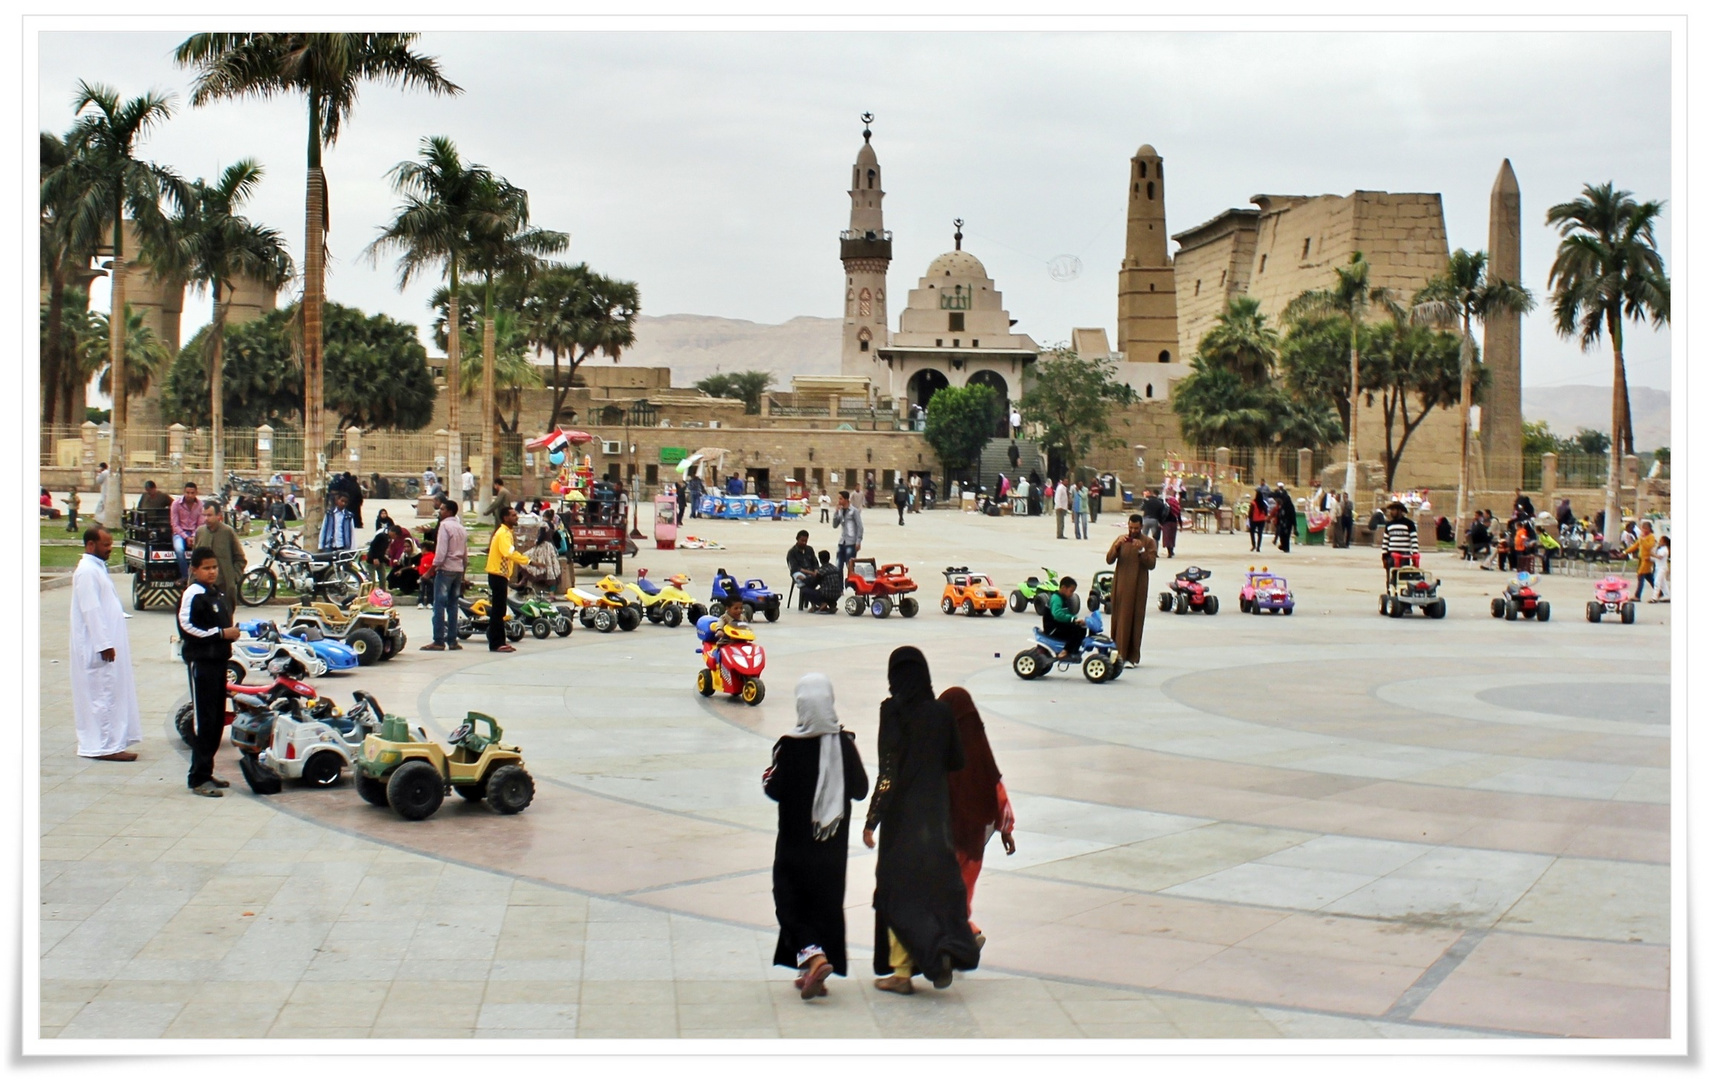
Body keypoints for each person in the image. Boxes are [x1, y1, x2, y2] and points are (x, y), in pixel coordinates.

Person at [863, 647, 982, 994]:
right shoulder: (943, 713)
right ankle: (944, 948)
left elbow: (888, 770)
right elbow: (957, 761)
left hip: (902, 820)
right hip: (936, 816)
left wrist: (873, 818)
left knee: (894, 891)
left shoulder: (892, 710)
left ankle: (903, 971)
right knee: (937, 889)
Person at [765, 674, 870, 1001]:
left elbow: (773, 789)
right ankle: (813, 973)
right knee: (824, 907)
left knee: (788, 899)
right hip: (832, 849)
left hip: (795, 846)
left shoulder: (789, 746)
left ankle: (813, 956)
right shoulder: (845, 744)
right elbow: (861, 789)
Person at [941, 688, 1015, 947]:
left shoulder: (943, 751)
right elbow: (999, 793)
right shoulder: (981, 751)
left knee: (941, 894)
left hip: (947, 839)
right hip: (974, 845)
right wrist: (1006, 831)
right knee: (963, 892)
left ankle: (960, 938)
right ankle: (966, 931)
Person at [69, 526, 141, 763]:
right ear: (91, 545)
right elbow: (91, 611)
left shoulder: (96, 569)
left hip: (107, 643)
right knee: (103, 693)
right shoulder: (87, 572)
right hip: (98, 647)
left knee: (110, 691)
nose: (110, 549)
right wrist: (103, 643)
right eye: (106, 545)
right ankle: (106, 746)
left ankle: (114, 740)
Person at [178, 546, 240, 797]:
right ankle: (198, 778)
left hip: (218, 663)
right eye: (206, 568)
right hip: (202, 663)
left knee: (216, 721)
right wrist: (220, 634)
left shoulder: (214, 593)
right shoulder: (193, 594)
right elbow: (186, 627)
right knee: (204, 721)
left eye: (214, 567)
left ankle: (207, 770)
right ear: (194, 570)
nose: (212, 572)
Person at [1104, 514, 1158, 669]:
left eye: (1136, 528)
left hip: (1137, 587)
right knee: (1118, 620)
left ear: (1141, 527)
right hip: (1120, 586)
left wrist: (1141, 550)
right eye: (1130, 527)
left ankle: (1131, 657)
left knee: (1134, 620)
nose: (1133, 531)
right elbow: (1109, 559)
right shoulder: (1121, 539)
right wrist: (1116, 546)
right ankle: (1116, 654)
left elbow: (1151, 564)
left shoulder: (1148, 542)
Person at [423, 498, 467, 651]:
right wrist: (464, 573)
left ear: (448, 511)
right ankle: (453, 640)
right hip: (458, 570)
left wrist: (429, 571)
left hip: (446, 569)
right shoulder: (461, 527)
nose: (440, 511)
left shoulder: (444, 526)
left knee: (439, 605)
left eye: (442, 509)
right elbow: (465, 554)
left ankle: (438, 640)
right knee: (453, 606)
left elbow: (441, 553)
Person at [484, 505, 530, 653]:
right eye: (513, 515)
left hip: (501, 575)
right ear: (505, 518)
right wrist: (527, 561)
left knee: (500, 609)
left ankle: (499, 641)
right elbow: (508, 552)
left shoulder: (506, 532)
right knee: (498, 611)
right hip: (497, 575)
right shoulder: (503, 533)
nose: (516, 517)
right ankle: (496, 643)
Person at [192, 502, 246, 611]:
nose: (206, 519)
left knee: (225, 621)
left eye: (209, 515)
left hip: (224, 587)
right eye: (204, 515)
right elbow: (194, 560)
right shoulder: (200, 532)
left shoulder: (228, 532)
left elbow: (240, 559)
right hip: (202, 588)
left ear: (218, 515)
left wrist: (233, 578)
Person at [1043, 576, 1088, 659]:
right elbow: (1057, 614)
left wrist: (1076, 619)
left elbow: (1066, 614)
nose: (1072, 594)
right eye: (1071, 591)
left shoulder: (1063, 599)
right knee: (1076, 630)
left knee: (1082, 628)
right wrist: (1073, 619)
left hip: (1058, 625)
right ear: (1063, 588)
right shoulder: (1056, 599)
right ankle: (1065, 651)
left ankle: (1074, 650)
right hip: (1053, 628)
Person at [170, 482, 204, 585]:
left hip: (195, 533)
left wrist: (193, 536)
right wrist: (186, 537)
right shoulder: (176, 504)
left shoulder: (200, 505)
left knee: (200, 553)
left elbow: (200, 524)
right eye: (187, 493)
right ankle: (186, 576)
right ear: (184, 492)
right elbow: (174, 524)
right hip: (179, 534)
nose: (189, 495)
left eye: (192, 493)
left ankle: (199, 577)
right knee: (179, 550)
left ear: (196, 493)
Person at [1381, 501, 1419, 571]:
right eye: (1391, 510)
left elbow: (1414, 540)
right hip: (1391, 555)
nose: (1391, 512)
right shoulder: (1389, 524)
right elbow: (1385, 541)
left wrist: (1415, 554)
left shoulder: (1409, 523)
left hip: (1404, 555)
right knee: (1391, 577)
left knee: (1402, 576)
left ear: (1400, 511)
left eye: (1393, 510)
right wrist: (1384, 556)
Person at [1625, 521, 1659, 601]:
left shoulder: (1651, 537)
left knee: (1640, 576)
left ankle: (1637, 596)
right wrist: (1626, 551)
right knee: (1649, 577)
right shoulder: (1641, 536)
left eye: (1646, 528)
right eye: (1643, 528)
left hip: (1647, 559)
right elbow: (1635, 545)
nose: (1644, 530)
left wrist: (1643, 540)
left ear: (1650, 529)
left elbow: (1649, 546)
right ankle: (1659, 591)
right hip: (1641, 558)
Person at [833, 490, 863, 575]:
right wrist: (836, 512)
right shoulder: (840, 511)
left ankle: (850, 584)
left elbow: (860, 526)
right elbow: (835, 525)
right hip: (842, 541)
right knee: (838, 565)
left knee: (850, 566)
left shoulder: (854, 511)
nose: (839, 501)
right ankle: (839, 586)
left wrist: (858, 541)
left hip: (851, 542)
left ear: (846, 499)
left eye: (841, 499)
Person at [787, 530, 818, 610]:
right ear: (797, 539)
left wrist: (816, 570)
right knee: (803, 580)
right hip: (797, 572)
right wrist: (810, 572)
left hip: (811, 572)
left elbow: (815, 562)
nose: (804, 543)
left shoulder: (809, 549)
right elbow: (795, 567)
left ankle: (818, 601)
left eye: (806, 541)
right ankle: (811, 603)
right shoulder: (792, 552)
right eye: (802, 541)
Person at [385, 524, 420, 592]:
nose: (406, 548)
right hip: (405, 568)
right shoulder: (404, 553)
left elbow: (414, 565)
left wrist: (402, 570)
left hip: (413, 570)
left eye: (408, 547)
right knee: (394, 571)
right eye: (405, 547)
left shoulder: (417, 554)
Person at [1274, 485, 1296, 553]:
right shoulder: (1283, 506)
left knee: (1286, 535)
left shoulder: (1290, 507)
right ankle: (1284, 546)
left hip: (1288, 523)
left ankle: (1286, 548)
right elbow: (1279, 514)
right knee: (1282, 535)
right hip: (1282, 523)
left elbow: (1293, 516)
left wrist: (1295, 526)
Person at [1247, 488, 1269, 553]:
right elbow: (1266, 511)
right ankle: (1258, 547)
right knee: (1260, 533)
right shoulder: (1263, 503)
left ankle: (1253, 545)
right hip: (1261, 520)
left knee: (1252, 533)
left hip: (1254, 519)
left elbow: (1250, 512)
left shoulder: (1253, 503)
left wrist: (1249, 518)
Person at [1161, 489, 1181, 557]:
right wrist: (1181, 525)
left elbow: (1163, 515)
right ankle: (1171, 551)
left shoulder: (1166, 506)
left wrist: (1161, 522)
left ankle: (1169, 551)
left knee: (1167, 538)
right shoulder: (1176, 506)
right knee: (1172, 537)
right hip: (1174, 523)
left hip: (1166, 523)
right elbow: (1179, 516)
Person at [1653, 535, 1671, 602]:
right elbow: (1656, 559)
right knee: (1663, 583)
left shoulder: (1665, 549)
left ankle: (1654, 597)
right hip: (1658, 567)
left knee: (1657, 582)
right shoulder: (1660, 549)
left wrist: (1652, 554)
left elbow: (1660, 557)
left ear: (1665, 543)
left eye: (1661, 541)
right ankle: (1667, 595)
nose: (1659, 542)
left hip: (1662, 568)